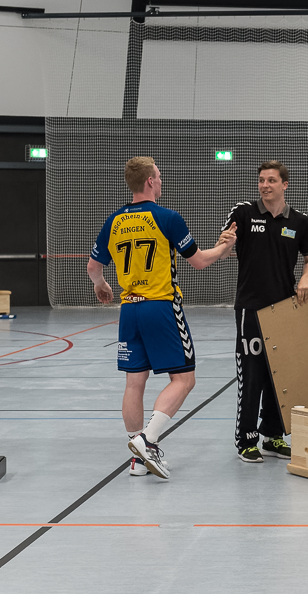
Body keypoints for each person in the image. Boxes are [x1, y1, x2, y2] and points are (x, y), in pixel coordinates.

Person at [87, 157, 228, 479]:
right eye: (159, 177)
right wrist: (223, 248)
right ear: (150, 181)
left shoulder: (114, 221)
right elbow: (199, 261)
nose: (161, 181)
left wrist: (101, 285)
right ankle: (148, 440)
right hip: (161, 307)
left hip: (129, 309)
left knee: (134, 382)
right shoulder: (167, 218)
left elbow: (93, 267)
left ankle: (138, 459)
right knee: (185, 379)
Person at [219, 161, 308, 463]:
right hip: (250, 309)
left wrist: (305, 279)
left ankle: (273, 435)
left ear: (285, 184)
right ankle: (246, 440)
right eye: (261, 180)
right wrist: (225, 245)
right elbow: (223, 251)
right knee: (252, 376)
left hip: (285, 311)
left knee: (280, 377)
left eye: (271, 180)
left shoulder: (299, 222)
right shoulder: (244, 213)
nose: (265, 185)